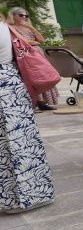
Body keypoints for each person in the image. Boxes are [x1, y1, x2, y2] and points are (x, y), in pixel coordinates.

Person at [0, 12, 55, 214]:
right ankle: (38, 193)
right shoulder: (6, 27)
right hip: (13, 83)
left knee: (8, 145)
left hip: (3, 88)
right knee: (24, 140)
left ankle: (16, 200)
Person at [8, 7, 60, 112]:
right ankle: (34, 103)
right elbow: (20, 42)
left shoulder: (28, 27)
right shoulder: (11, 28)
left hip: (38, 56)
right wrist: (33, 42)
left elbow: (41, 40)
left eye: (26, 15)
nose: (24, 17)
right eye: (21, 15)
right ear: (13, 16)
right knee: (32, 78)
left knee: (43, 76)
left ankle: (43, 103)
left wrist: (32, 28)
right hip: (26, 56)